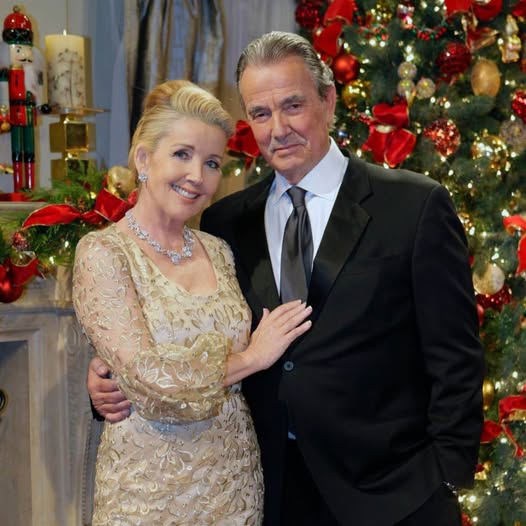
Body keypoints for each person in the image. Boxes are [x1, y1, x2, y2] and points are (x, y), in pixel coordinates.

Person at [88, 32, 485, 526]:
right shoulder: (225, 223)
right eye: (260, 113)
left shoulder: (414, 205)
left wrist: (445, 476)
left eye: (293, 105)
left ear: (328, 100)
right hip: (269, 493)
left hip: (395, 495)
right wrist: (109, 375)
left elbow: (456, 358)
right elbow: (195, 330)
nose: (278, 129)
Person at [74, 79, 312, 525]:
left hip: (234, 487)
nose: (197, 177)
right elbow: (150, 380)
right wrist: (251, 358)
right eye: (182, 154)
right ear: (143, 159)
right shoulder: (104, 253)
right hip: (148, 493)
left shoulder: (219, 250)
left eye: (211, 162)